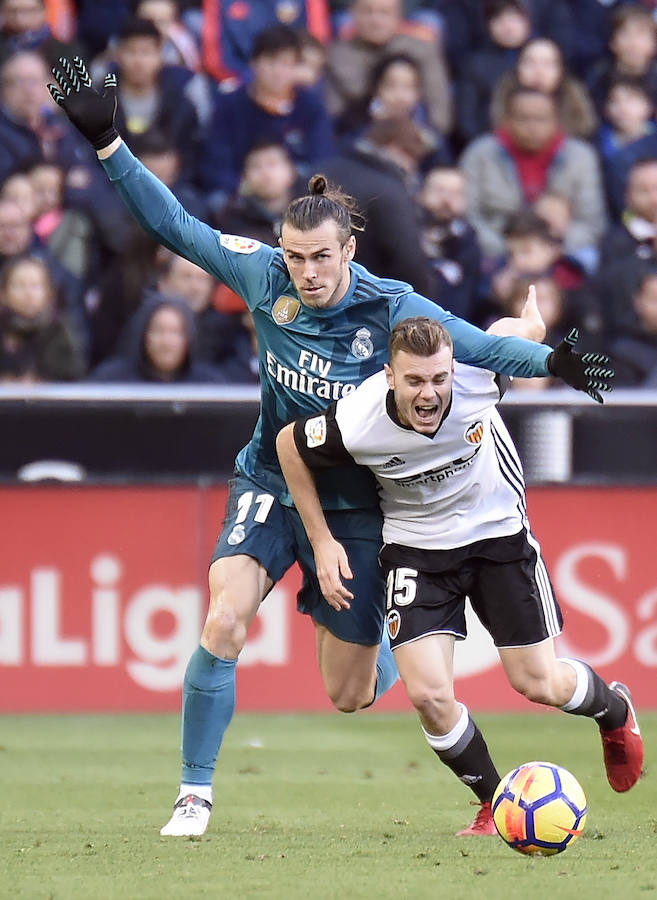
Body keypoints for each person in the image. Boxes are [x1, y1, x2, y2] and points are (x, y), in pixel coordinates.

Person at [47, 58, 613, 838]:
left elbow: (480, 347)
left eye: (320, 258)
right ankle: (194, 795)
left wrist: (550, 361)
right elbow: (171, 226)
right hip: (271, 476)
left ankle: (375, 637)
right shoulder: (260, 273)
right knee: (224, 617)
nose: (305, 273)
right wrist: (109, 143)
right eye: (293, 256)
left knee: (349, 694)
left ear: (348, 251)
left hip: (358, 507)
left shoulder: (391, 307)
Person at [276, 312, 641, 834]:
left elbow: (503, 340)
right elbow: (290, 445)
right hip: (416, 549)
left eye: (439, 379)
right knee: (428, 695)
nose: (429, 395)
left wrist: (533, 329)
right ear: (389, 376)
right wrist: (321, 539)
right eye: (416, 381)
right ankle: (496, 802)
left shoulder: (476, 377)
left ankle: (615, 711)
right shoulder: (358, 421)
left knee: (540, 683)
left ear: (453, 371)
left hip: (498, 538)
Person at [460, 87, 607, 262]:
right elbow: (468, 216)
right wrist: (510, 249)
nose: (532, 127)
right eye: (523, 119)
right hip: (495, 250)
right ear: (507, 120)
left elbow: (592, 223)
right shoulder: (480, 153)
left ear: (556, 121)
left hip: (561, 250)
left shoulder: (580, 156)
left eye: (541, 119)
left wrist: (549, 249)